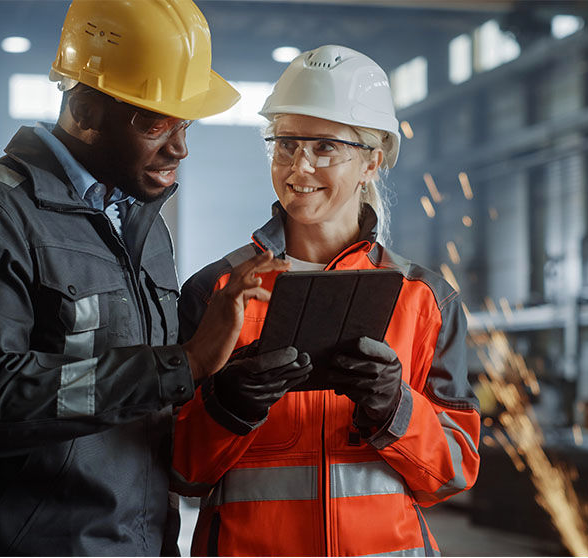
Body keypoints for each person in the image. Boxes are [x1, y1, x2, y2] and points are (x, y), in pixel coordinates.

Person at [0, 1, 288, 555]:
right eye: (155, 122)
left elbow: (140, 397)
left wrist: (222, 383)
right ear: (87, 109)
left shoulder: (144, 225)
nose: (180, 147)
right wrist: (183, 363)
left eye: (184, 122)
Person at [171, 45, 481, 556]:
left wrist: (394, 407)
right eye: (286, 143)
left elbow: (451, 475)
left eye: (326, 146)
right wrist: (227, 406)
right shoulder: (219, 292)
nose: (300, 165)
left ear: (372, 162)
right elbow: (178, 470)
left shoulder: (426, 300)